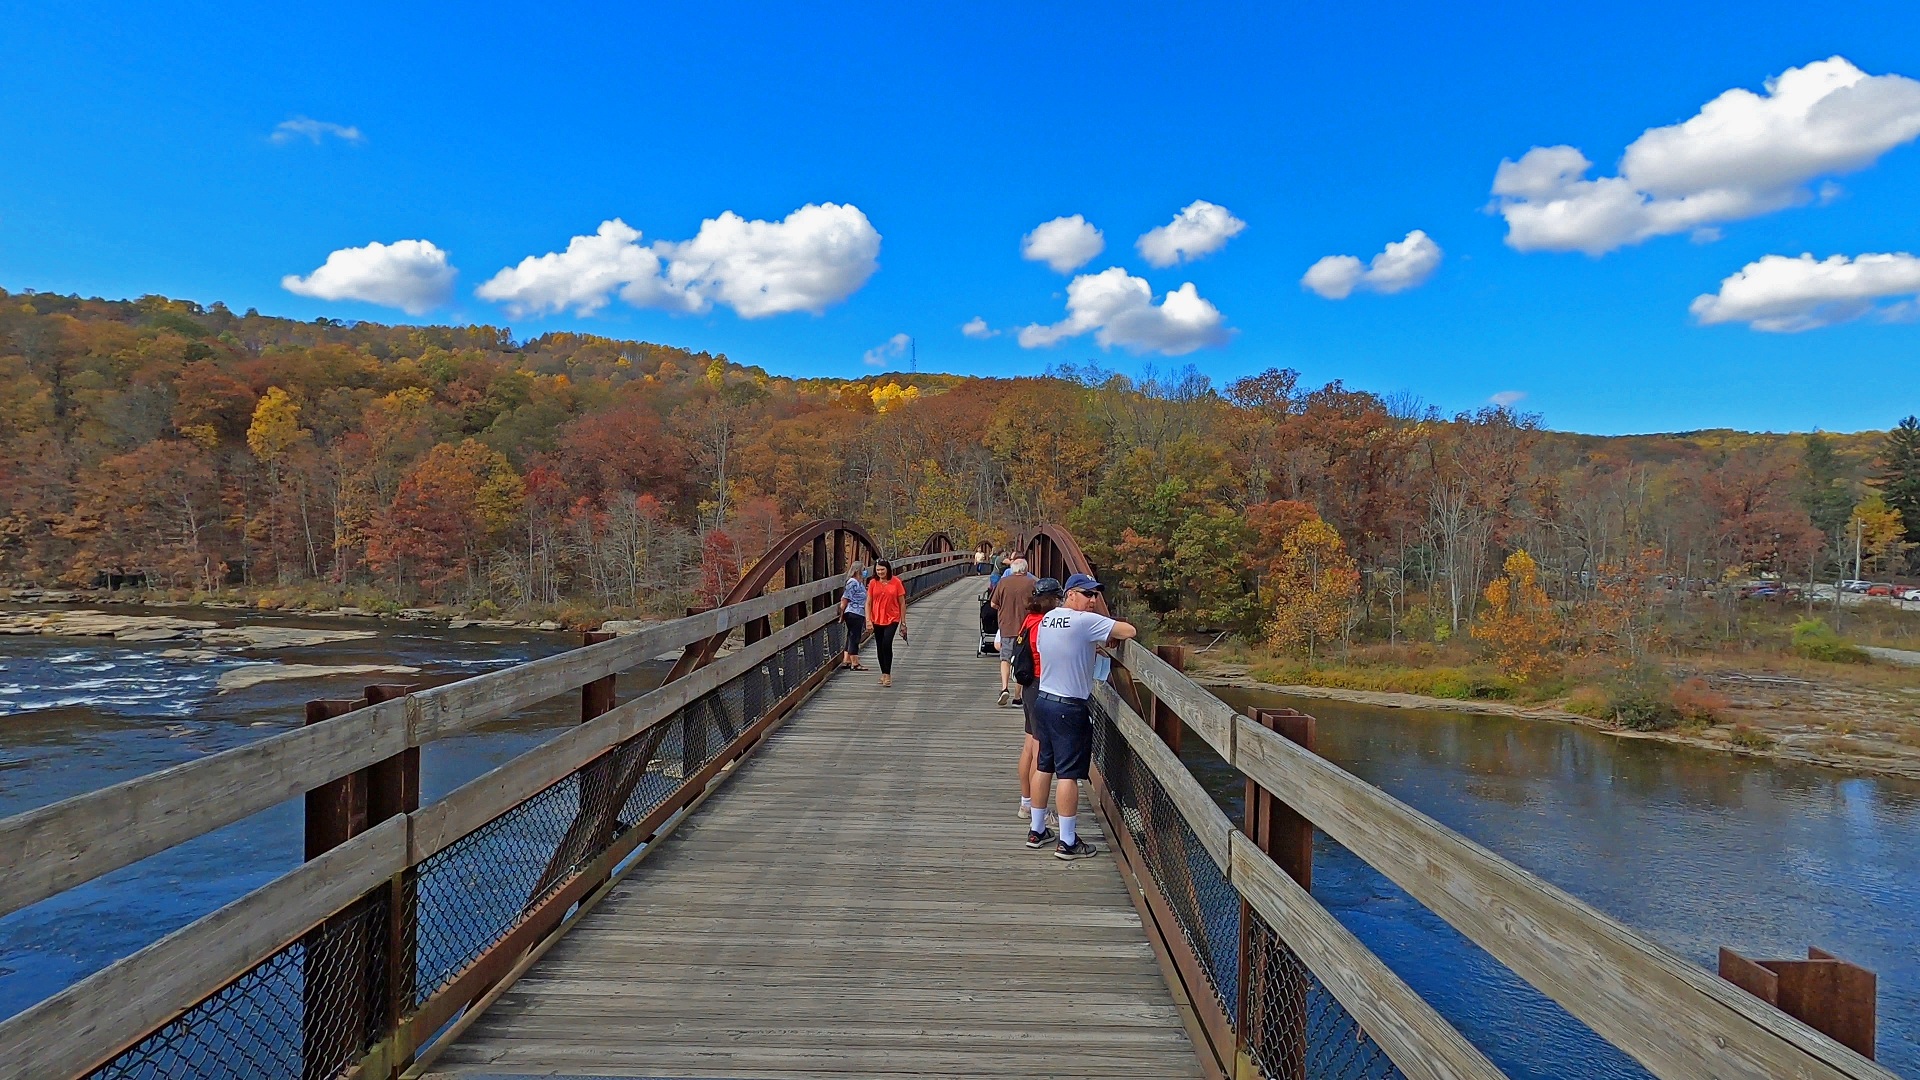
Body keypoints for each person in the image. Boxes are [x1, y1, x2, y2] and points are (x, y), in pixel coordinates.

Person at [1029, 572, 1136, 859]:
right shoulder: (1084, 622)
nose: (1092, 600)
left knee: (1044, 766)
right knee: (1068, 775)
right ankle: (1067, 841)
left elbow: (1067, 646)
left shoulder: (1048, 619)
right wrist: (1106, 632)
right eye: (1087, 594)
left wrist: (1094, 641)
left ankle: (1037, 830)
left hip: (1044, 700)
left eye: (1095, 595)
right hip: (1069, 707)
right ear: (1070, 594)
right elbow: (1128, 631)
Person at [1016, 577, 1063, 826]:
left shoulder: (1029, 619)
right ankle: (1038, 809)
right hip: (1040, 685)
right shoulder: (1044, 624)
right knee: (1040, 751)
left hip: (1028, 688)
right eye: (1058, 598)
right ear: (1051, 600)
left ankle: (1026, 802)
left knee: (1029, 746)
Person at [989, 557, 1036, 707]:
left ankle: (1004, 688)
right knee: (1022, 661)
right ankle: (1017, 697)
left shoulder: (1003, 582)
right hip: (1025, 628)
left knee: (1005, 659)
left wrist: (1004, 608)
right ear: (1025, 569)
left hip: (1007, 626)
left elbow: (993, 604)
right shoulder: (1032, 583)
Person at [866, 559, 908, 687]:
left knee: (886, 643)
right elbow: (868, 602)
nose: (880, 572)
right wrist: (868, 620)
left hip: (892, 617)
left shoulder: (896, 582)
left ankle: (888, 674)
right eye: (878, 570)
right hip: (877, 618)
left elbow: (902, 603)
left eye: (882, 569)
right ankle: (883, 673)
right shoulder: (873, 583)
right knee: (879, 645)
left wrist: (903, 622)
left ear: (888, 569)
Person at [838, 561, 869, 671]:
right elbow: (845, 598)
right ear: (857, 571)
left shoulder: (859, 583)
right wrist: (841, 614)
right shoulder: (852, 582)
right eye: (863, 569)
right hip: (853, 612)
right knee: (855, 637)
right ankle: (855, 663)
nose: (865, 572)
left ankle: (846, 660)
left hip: (858, 612)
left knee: (851, 636)